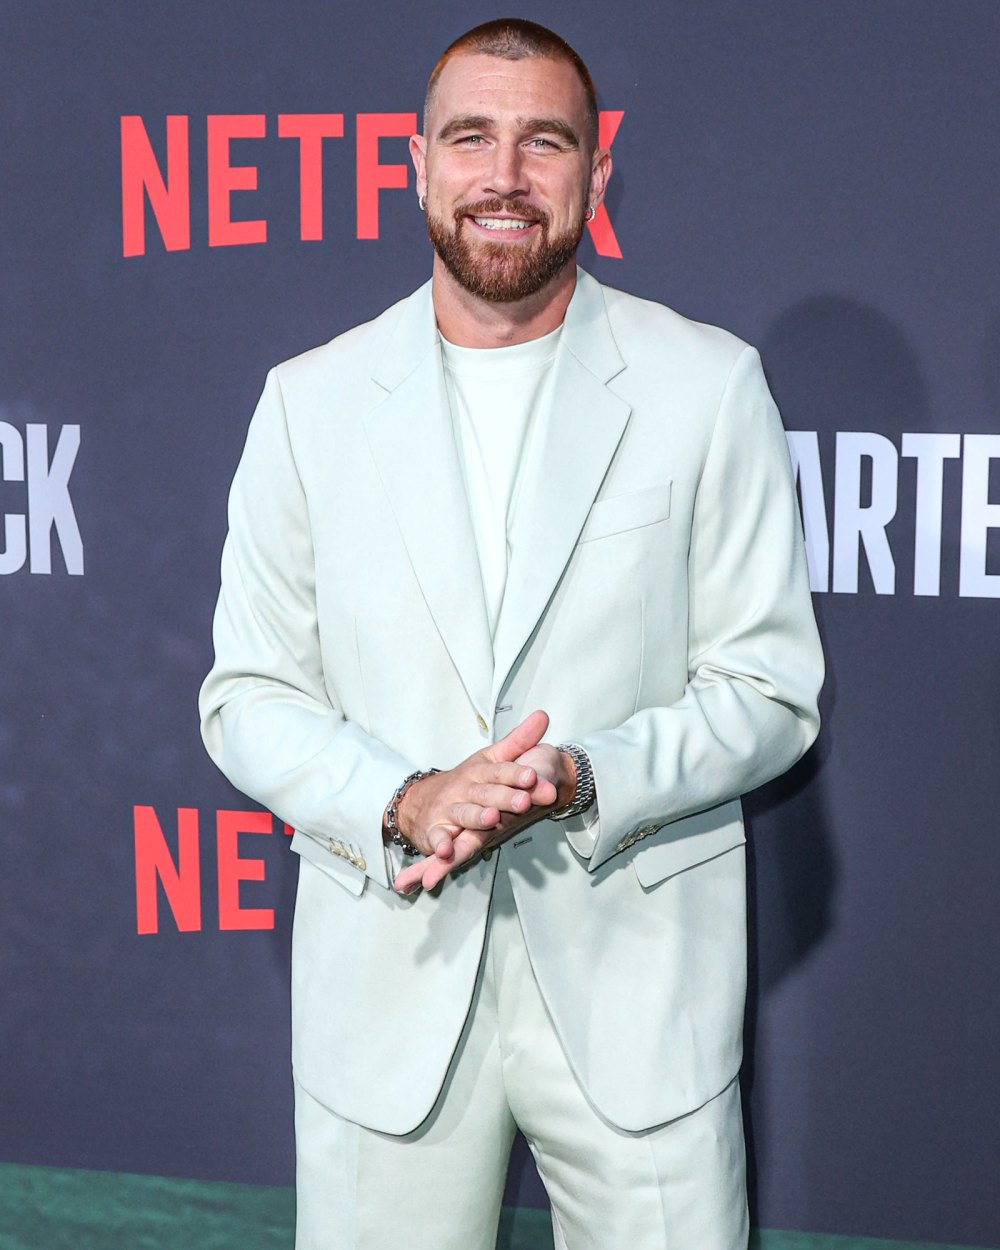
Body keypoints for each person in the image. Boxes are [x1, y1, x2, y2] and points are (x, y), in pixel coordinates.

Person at [199, 17, 824, 1250]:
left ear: (596, 176)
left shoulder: (706, 385)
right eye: (471, 138)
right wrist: (405, 795)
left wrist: (585, 775)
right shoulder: (309, 400)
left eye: (544, 142)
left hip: (638, 989)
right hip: (392, 981)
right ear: (416, 164)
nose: (504, 175)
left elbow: (769, 685)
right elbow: (248, 692)